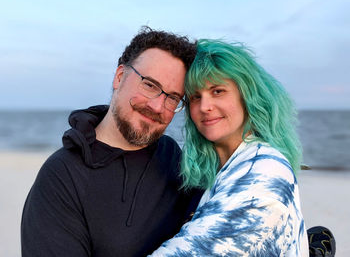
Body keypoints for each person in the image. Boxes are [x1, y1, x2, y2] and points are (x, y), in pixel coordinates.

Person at [21, 27, 202, 257]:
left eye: (172, 98)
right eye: (149, 85)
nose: (157, 106)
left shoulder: (173, 158)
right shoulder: (62, 176)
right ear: (119, 77)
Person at [149, 39, 309, 256]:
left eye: (217, 91)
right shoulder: (223, 168)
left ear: (248, 96)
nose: (204, 107)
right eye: (196, 96)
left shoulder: (264, 174)